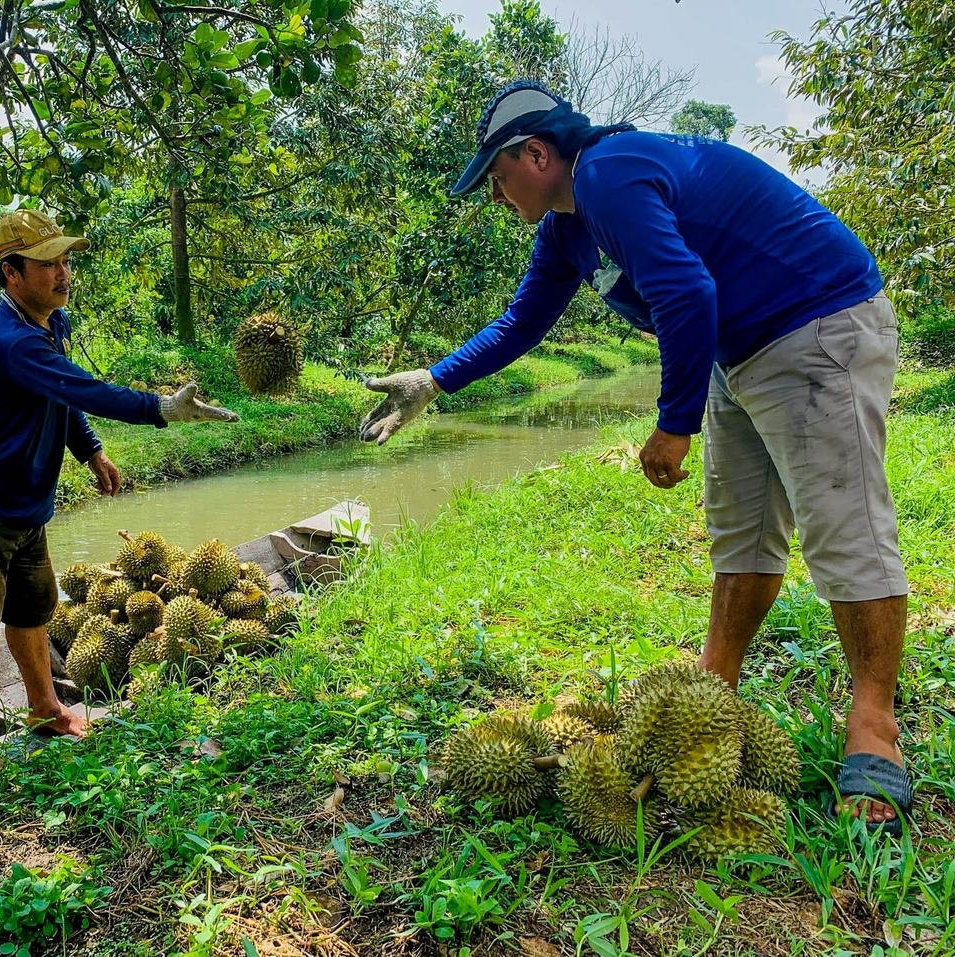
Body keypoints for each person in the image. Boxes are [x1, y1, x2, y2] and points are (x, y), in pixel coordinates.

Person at [360, 81, 911, 832]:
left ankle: (875, 724)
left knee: (842, 526)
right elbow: (522, 323)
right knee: (740, 527)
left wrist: (673, 422)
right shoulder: (565, 229)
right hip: (739, 349)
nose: (494, 194)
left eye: (496, 176)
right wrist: (432, 380)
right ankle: (714, 687)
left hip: (815, 319)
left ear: (537, 153)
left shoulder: (608, 173)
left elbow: (686, 288)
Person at [0, 209, 239, 767]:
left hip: (23, 504)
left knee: (33, 607)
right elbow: (86, 389)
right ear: (11, 274)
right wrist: (163, 408)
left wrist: (90, 450)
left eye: (65, 260)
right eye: (48, 265)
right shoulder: (10, 341)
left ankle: (44, 706)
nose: (62, 273)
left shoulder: (49, 324)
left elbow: (61, 399)